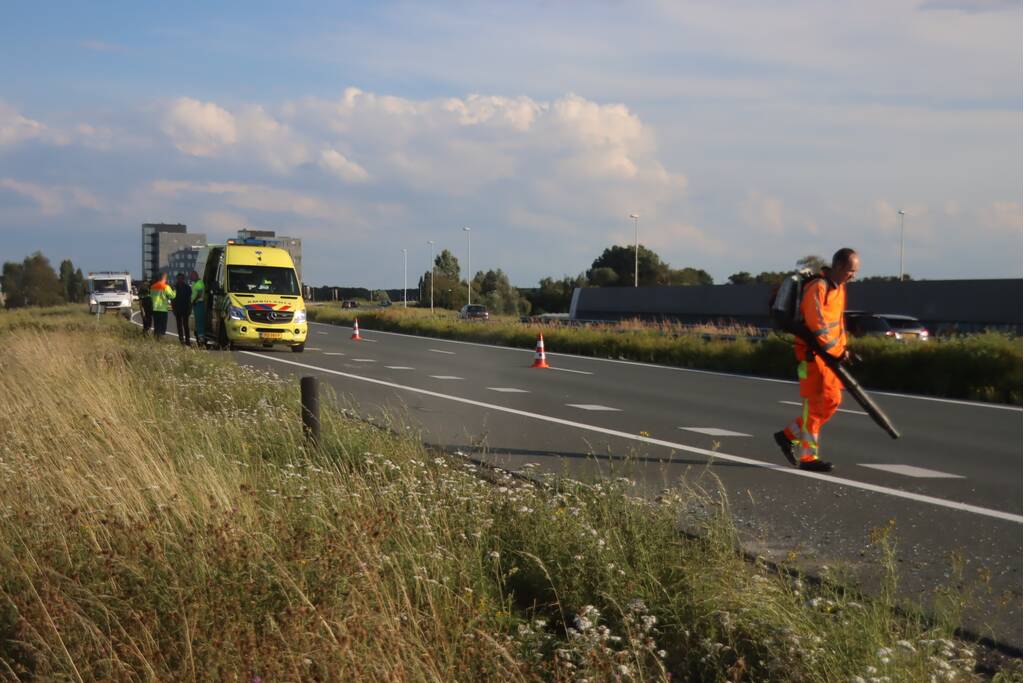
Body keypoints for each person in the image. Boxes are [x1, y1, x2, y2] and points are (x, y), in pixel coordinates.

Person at [774, 248, 860, 473]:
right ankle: (808, 456)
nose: (853, 276)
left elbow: (837, 324)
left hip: (829, 357)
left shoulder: (839, 288)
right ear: (839, 267)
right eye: (851, 271)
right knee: (814, 405)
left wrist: (844, 349)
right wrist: (835, 351)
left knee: (832, 401)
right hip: (810, 356)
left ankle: (788, 436)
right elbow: (817, 324)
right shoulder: (817, 287)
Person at [149, 272, 176, 341]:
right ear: (164, 278)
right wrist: (175, 290)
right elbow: (172, 296)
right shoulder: (166, 286)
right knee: (162, 327)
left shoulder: (153, 286)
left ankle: (155, 339)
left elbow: (151, 297)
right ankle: (160, 340)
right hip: (162, 309)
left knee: (156, 326)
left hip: (155, 309)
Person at [172, 272, 192, 345]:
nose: (179, 280)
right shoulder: (174, 287)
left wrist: (190, 309)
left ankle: (187, 340)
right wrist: (173, 309)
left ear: (183, 279)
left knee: (186, 325)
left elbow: (190, 299)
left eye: (181, 278)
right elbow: (172, 299)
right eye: (178, 278)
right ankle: (181, 340)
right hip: (177, 309)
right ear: (177, 279)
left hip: (185, 309)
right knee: (179, 325)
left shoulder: (188, 288)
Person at [190, 270, 206, 344]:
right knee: (197, 321)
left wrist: (194, 300)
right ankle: (199, 336)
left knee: (199, 321)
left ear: (195, 275)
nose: (190, 277)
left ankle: (201, 338)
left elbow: (199, 294)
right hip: (196, 304)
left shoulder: (199, 283)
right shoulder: (195, 283)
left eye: (191, 276)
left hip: (199, 303)